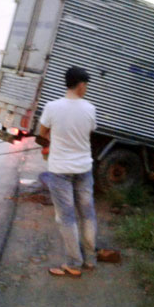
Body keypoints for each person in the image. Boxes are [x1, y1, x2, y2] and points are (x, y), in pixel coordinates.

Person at [38, 66, 97, 277]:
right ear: (80, 85)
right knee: (87, 215)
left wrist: (55, 138)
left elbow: (42, 133)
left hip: (60, 170)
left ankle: (73, 263)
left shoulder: (52, 107)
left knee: (67, 217)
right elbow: (89, 131)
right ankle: (90, 259)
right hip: (84, 169)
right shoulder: (90, 108)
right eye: (86, 85)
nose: (86, 88)